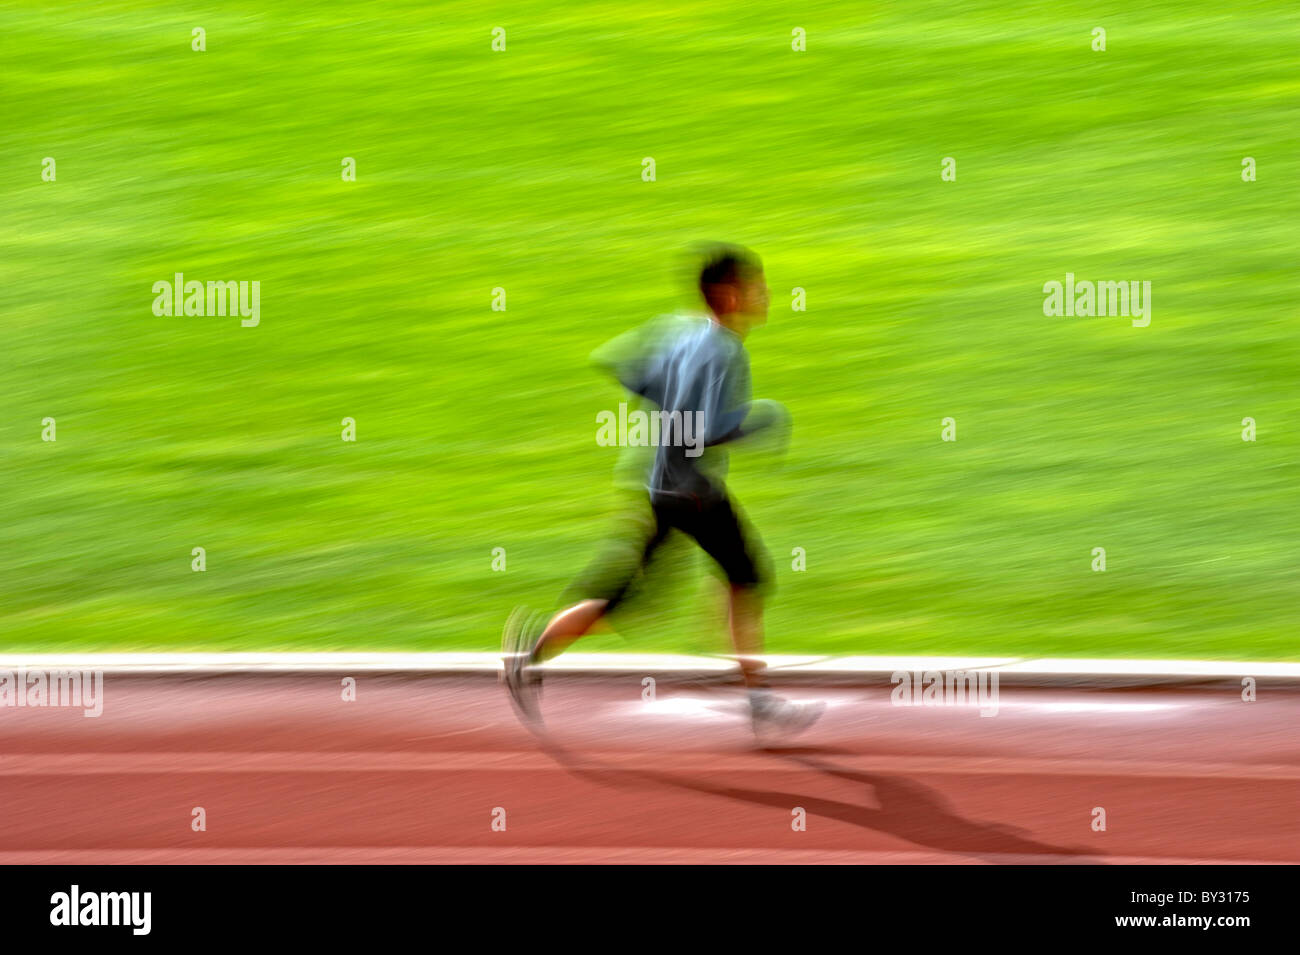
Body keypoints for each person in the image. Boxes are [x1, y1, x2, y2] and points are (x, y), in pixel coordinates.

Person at [502, 244, 824, 737]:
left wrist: (670, 402)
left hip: (661, 485)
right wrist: (757, 422)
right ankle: (755, 697)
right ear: (729, 295)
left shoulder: (679, 330)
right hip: (693, 491)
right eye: (755, 284)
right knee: (748, 575)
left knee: (634, 597)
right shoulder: (725, 350)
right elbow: (710, 429)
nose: (766, 292)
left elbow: (624, 368)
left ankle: (532, 652)